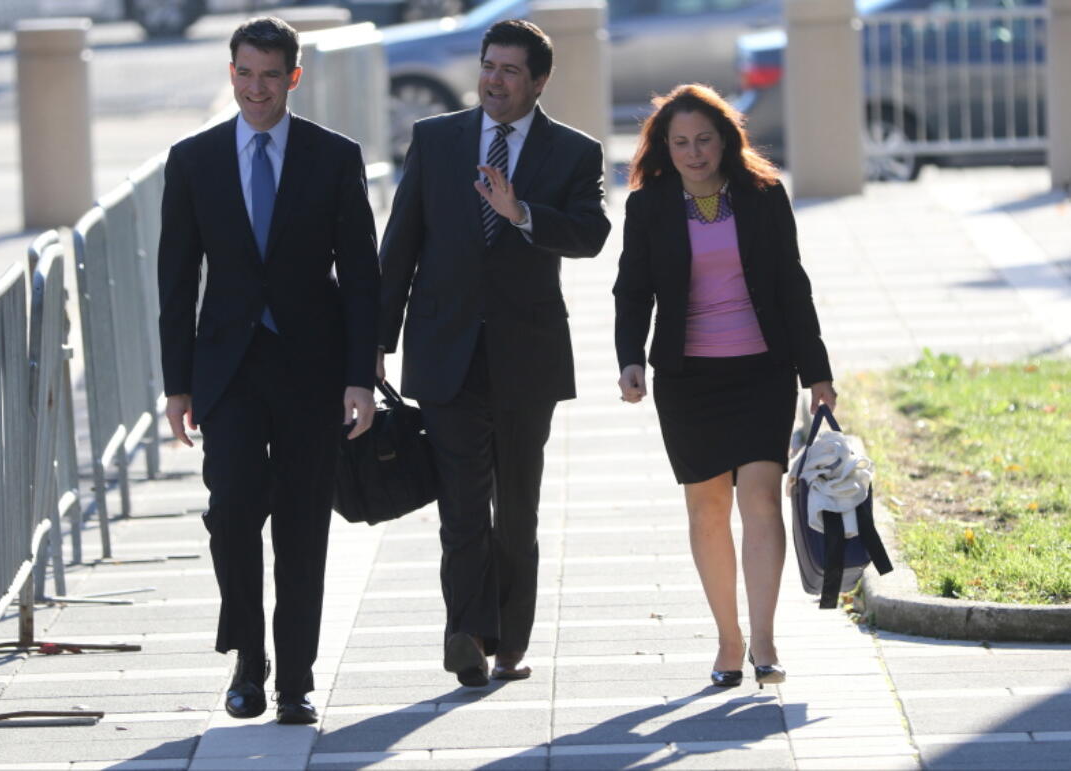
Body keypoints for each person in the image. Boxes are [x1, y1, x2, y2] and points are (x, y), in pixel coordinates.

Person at [157, 16, 379, 724]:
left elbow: (364, 275)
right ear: (231, 73)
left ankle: (295, 681)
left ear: (294, 76)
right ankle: (248, 661)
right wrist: (176, 383)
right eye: (244, 73)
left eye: (269, 75)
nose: (256, 89)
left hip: (311, 366)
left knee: (303, 523)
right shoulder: (193, 161)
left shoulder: (333, 157)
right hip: (226, 368)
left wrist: (360, 376)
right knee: (231, 515)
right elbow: (175, 279)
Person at [378, 19, 611, 687]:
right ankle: (467, 633)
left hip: (525, 356)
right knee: (460, 502)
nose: (495, 80)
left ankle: (509, 638)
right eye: (489, 66)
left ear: (538, 82)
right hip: (444, 346)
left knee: (516, 507)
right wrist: (374, 345)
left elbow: (592, 234)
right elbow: (399, 250)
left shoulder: (572, 152)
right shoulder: (434, 139)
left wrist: (523, 215)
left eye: (511, 71)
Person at [613, 84, 836, 689]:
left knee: (760, 499)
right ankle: (728, 639)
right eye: (680, 142)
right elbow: (632, 290)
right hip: (688, 381)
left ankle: (764, 638)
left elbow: (792, 285)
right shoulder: (648, 205)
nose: (693, 152)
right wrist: (629, 358)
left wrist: (817, 372)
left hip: (762, 370)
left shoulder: (762, 196)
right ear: (664, 147)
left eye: (704, 139)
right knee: (707, 509)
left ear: (726, 139)